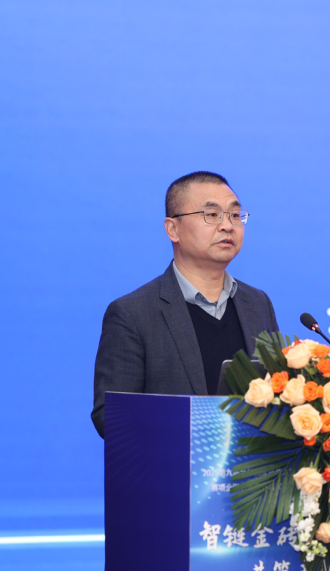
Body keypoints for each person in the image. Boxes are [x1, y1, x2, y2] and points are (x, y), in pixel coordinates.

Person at [91, 171, 280, 438]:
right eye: (212, 214)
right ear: (173, 229)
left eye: (235, 215)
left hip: (250, 465)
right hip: (171, 462)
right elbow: (111, 416)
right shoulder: (133, 314)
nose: (227, 225)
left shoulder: (258, 304)